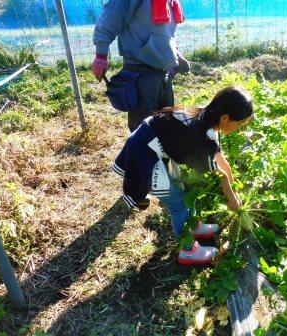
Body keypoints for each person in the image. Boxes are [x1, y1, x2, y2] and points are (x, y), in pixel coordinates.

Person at [111, 86, 254, 265]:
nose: (239, 128)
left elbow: (218, 156)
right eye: (239, 123)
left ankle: (193, 225)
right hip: (145, 153)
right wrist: (232, 199)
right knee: (177, 202)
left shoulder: (210, 117)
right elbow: (218, 175)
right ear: (225, 118)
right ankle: (187, 251)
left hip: (157, 145)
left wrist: (231, 181)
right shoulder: (200, 135)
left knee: (186, 190)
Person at [92, 0, 190, 132]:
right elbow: (109, 19)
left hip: (165, 74)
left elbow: (167, 33)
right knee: (143, 131)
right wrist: (101, 56)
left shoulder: (172, 1)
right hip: (141, 73)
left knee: (167, 126)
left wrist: (175, 55)